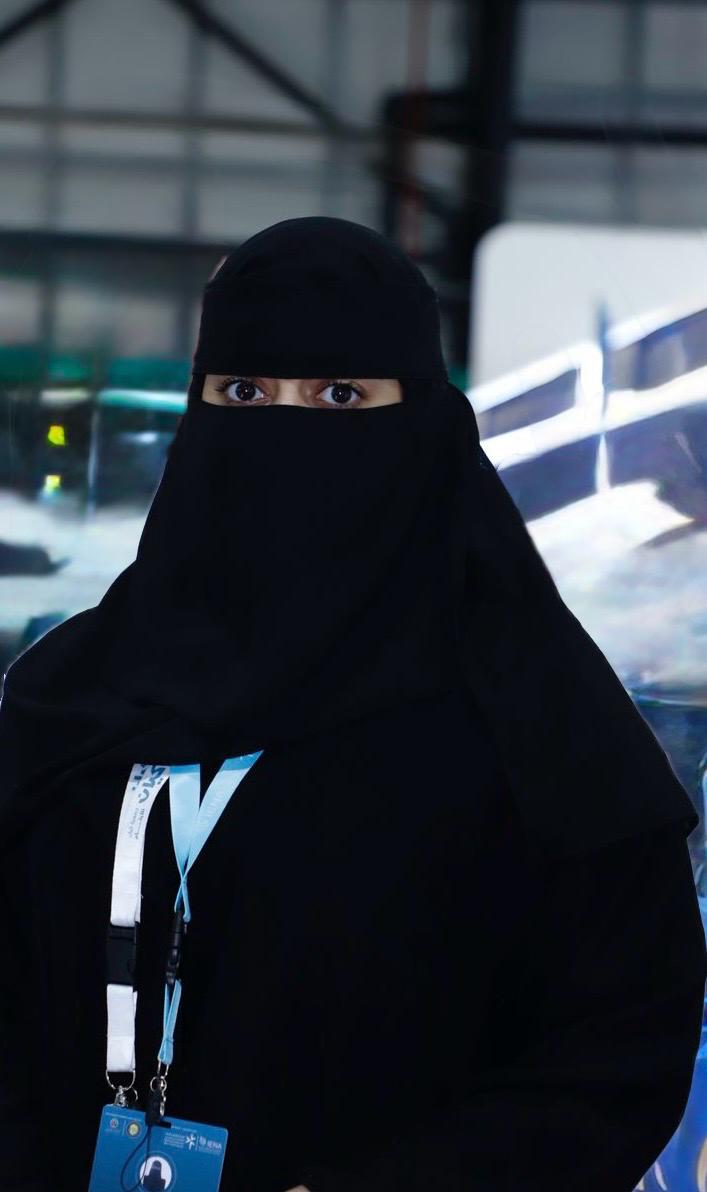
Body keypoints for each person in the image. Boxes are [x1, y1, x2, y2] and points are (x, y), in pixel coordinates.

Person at [0, 216, 704, 1192]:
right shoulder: (73, 695)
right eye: (244, 392)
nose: (283, 427)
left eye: (339, 394)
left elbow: (615, 1052)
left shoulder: (530, 725)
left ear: (420, 419)